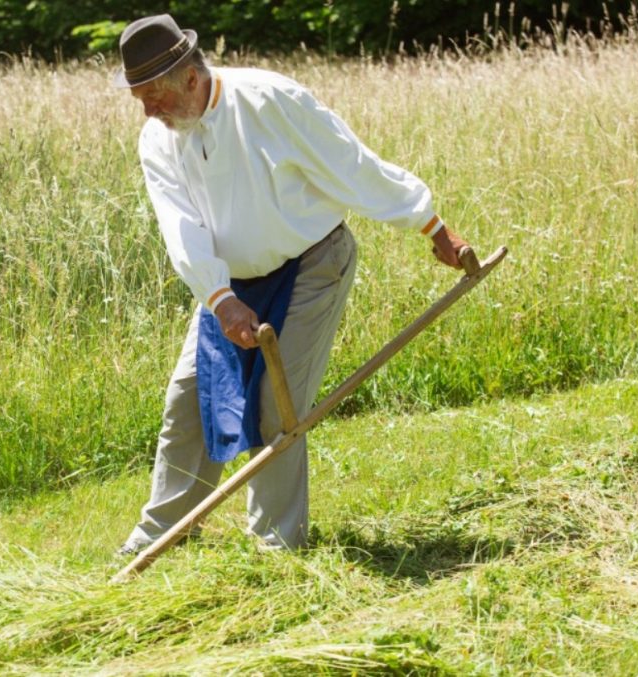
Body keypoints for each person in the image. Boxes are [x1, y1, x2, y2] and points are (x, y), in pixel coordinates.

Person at [113, 14, 471, 554]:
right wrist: (220, 298)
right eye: (138, 97)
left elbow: (351, 165)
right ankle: (162, 535)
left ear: (190, 76)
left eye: (153, 95)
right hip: (229, 286)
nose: (147, 110)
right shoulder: (158, 138)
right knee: (190, 400)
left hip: (311, 264)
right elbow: (179, 225)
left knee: (275, 406)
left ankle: (277, 545)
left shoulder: (269, 99)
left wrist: (431, 224)